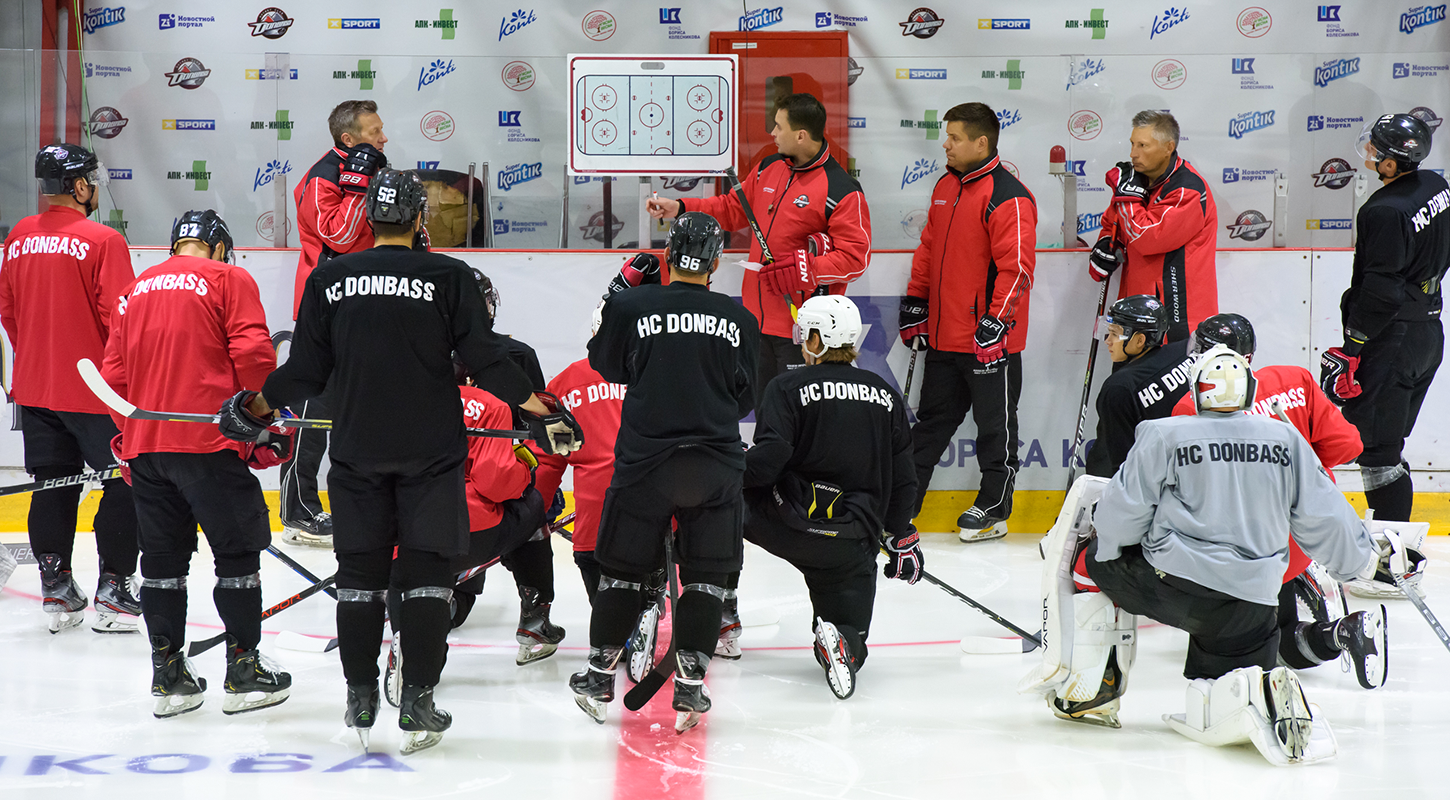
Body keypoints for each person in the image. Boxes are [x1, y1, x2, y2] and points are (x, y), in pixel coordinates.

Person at [219, 169, 581, 754]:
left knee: (360, 582)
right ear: (418, 221)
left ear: (367, 218)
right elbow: (487, 359)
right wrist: (543, 411)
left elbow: (306, 372)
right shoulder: (448, 275)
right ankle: (417, 699)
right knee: (428, 583)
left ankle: (360, 694)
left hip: (359, 456)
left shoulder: (330, 278)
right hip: (432, 460)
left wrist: (254, 407)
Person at [1023, 346, 1395, 766]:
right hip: (1253, 602)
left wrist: (1106, 554)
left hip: (1177, 585)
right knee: (1220, 686)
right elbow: (1327, 519)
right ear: (1249, 391)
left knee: (1088, 564)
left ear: (1198, 393)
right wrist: (1363, 564)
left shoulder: (1164, 433)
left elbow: (1120, 517)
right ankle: (1258, 693)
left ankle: (1090, 693)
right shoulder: (1285, 438)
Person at [569, 212, 759, 734]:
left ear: (668, 257)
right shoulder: (737, 318)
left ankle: (599, 674)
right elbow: (748, 395)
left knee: (623, 573)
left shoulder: (633, 305)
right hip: (715, 466)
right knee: (706, 579)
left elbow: (605, 366)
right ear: (717, 262)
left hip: (645, 466)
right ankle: (691, 686)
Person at [101, 210, 293, 718]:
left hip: (146, 448)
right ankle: (244, 670)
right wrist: (267, 413)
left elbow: (112, 376)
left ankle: (168, 677)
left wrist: (132, 435)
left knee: (162, 563)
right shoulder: (228, 277)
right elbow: (254, 356)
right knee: (236, 555)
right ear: (219, 246)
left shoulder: (137, 286)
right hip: (210, 446)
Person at [1171, 314, 1385, 689]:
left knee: (1271, 645)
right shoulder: (1292, 379)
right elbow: (1349, 445)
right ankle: (1306, 583)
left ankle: (1338, 632)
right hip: (1310, 532)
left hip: (1249, 551)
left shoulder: (1191, 409)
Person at [742, 295, 918, 699]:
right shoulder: (885, 395)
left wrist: (728, 471)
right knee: (852, 632)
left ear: (818, 339)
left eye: (805, 334)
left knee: (720, 509)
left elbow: (767, 464)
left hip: (784, 523)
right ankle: (842, 642)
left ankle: (721, 609)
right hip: (850, 539)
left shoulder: (785, 387)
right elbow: (905, 478)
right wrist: (900, 534)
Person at [0, 143, 140, 634]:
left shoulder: (17, 236)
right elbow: (121, 322)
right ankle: (114, 587)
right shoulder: (103, 241)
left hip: (36, 389)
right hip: (95, 392)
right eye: (92, 180)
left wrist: (39, 361)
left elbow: (9, 313)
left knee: (51, 487)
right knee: (125, 482)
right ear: (79, 186)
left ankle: (56, 586)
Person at [645, 92, 871, 389]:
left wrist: (805, 269)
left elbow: (855, 258)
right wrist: (682, 207)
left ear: (801, 135)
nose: (772, 133)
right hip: (754, 322)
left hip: (802, 328)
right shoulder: (768, 166)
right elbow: (733, 209)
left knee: (796, 418)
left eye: (779, 126)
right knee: (763, 412)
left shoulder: (841, 188)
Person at [898, 102, 1037, 541]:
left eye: (954, 137)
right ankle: (903, 504)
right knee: (931, 425)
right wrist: (916, 301)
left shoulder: (1009, 196)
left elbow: (1018, 269)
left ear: (982, 142)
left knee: (995, 428)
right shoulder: (945, 187)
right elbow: (928, 249)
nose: (946, 144)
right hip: (944, 336)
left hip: (989, 342)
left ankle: (995, 504)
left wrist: (997, 321)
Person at [1320, 112, 1450, 525]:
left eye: (1376, 149)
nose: (1370, 153)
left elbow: (1381, 289)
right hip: (1428, 332)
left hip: (1392, 340)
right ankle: (1395, 548)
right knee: (1388, 443)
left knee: (1377, 450)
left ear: (1392, 163)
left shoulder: (1383, 210)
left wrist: (1353, 348)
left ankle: (1395, 561)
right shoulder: (1436, 185)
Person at [279, 100, 390, 548]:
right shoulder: (321, 177)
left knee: (376, 412)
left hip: (373, 307)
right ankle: (297, 509)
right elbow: (339, 238)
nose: (384, 138)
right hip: (326, 312)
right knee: (313, 412)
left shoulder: (374, 168)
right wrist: (362, 183)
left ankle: (373, 504)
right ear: (349, 139)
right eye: (375, 132)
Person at [1089, 110, 1218, 343]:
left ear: (1168, 147)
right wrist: (1106, 243)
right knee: (1125, 379)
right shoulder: (1137, 181)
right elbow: (1113, 222)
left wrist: (1126, 197)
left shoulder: (1187, 189)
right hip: (1136, 311)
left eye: (1143, 146)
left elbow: (1147, 238)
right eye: (1132, 144)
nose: (1133, 154)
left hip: (1176, 319)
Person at [1083, 295, 1196, 478]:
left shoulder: (1119, 388)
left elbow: (1121, 467)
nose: (1107, 341)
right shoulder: (1184, 352)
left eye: (1115, 334)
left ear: (1139, 340)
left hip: (1144, 485)